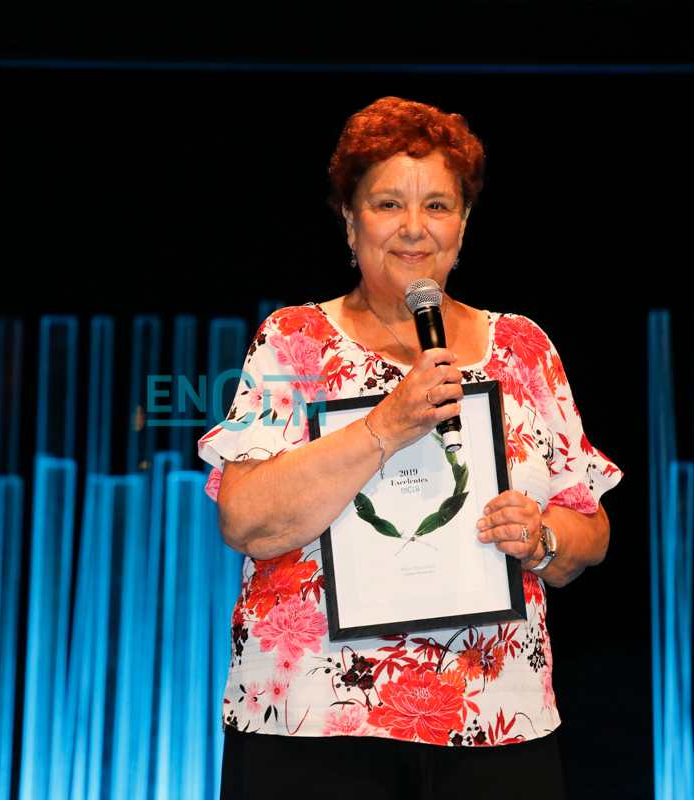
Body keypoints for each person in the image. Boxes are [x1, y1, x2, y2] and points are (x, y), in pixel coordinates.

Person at [196, 96, 623, 799]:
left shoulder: (521, 347)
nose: (414, 229)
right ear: (349, 220)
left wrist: (542, 536)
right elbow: (245, 521)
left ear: (464, 226)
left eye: (439, 206)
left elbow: (591, 531)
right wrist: (382, 427)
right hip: (312, 732)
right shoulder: (294, 340)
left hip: (495, 723)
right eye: (389, 203)